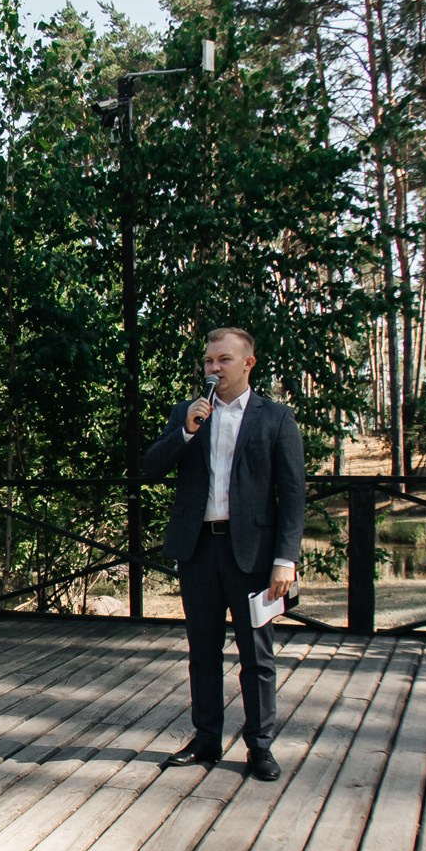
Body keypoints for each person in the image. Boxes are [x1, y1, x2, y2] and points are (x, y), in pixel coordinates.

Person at [143, 327, 307, 782]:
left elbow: (292, 495)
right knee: (203, 651)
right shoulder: (188, 413)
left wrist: (285, 559)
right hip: (198, 549)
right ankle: (206, 740)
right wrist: (186, 432)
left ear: (248, 363)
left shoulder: (275, 418)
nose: (214, 368)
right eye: (209, 360)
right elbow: (151, 467)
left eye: (224, 360)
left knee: (257, 654)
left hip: (252, 554)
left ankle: (259, 746)